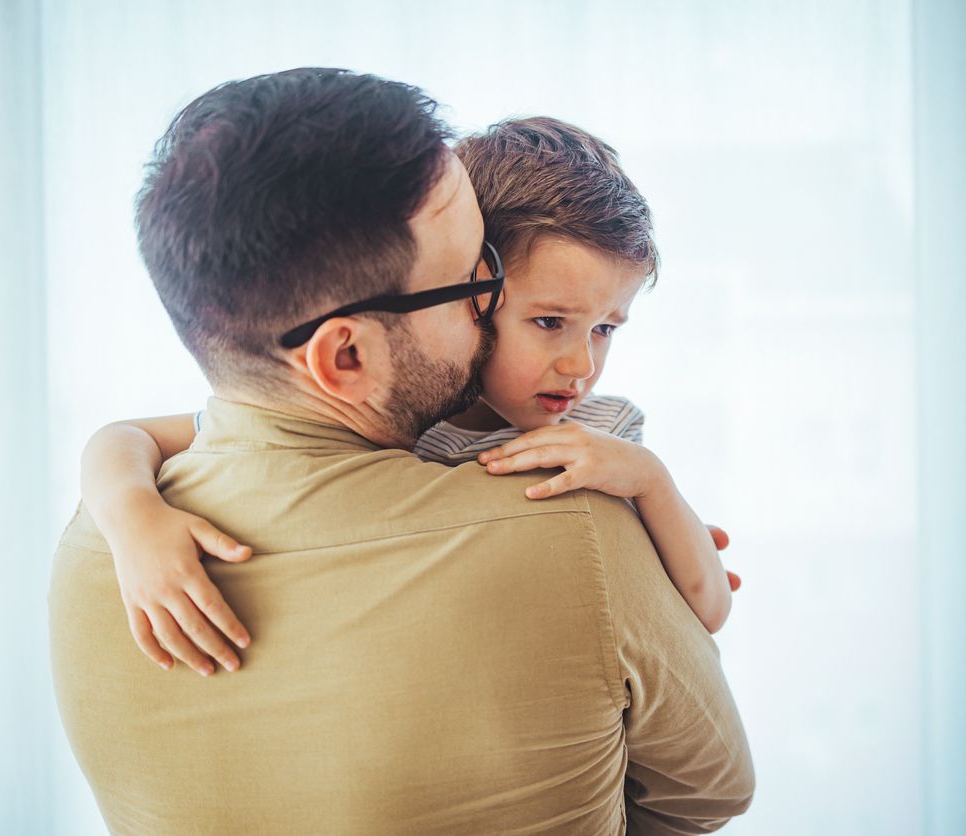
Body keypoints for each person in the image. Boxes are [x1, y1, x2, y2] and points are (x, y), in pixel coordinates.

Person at [50, 68, 753, 834]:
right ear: (343, 357)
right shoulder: (574, 530)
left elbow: (140, 438)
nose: (485, 312)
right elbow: (709, 794)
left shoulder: (95, 551)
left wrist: (119, 506)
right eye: (468, 283)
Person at [82, 117, 739, 682]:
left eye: (605, 328)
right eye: (548, 323)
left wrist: (653, 487)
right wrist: (133, 519)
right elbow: (126, 437)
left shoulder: (603, 438)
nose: (580, 365)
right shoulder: (397, 417)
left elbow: (705, 612)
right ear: (473, 292)